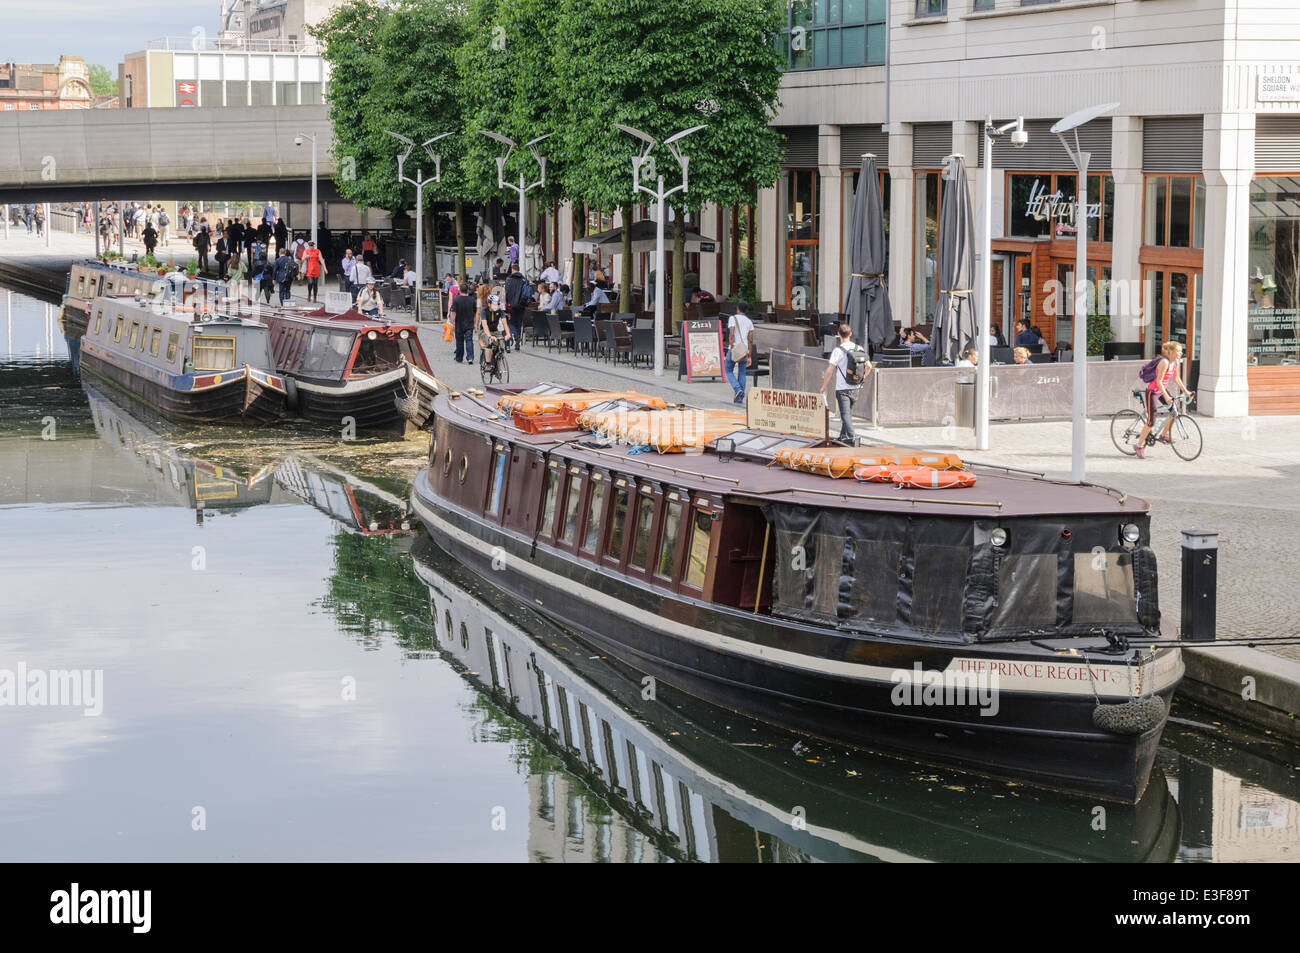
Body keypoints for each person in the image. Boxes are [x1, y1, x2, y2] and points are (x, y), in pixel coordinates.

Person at [1134, 340, 1193, 458]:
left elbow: (1177, 379)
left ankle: (1164, 434)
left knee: (1174, 410)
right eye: (1178, 351)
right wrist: (1166, 396)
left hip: (1162, 391)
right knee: (1151, 421)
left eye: (1181, 351)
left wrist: (1186, 392)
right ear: (1171, 351)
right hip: (1153, 392)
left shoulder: (1175, 362)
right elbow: (1158, 381)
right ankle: (1139, 445)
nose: (1181, 353)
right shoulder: (1164, 362)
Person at [821, 323, 870, 444]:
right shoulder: (859, 348)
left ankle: (852, 438)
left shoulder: (838, 350)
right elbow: (868, 366)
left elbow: (830, 370)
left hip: (842, 388)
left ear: (838, 334)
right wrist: (861, 379)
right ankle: (843, 437)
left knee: (845, 415)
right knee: (847, 413)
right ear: (850, 334)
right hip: (856, 387)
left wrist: (824, 385)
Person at [724, 301, 755, 405]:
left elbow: (731, 334)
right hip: (744, 349)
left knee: (728, 370)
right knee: (742, 373)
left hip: (734, 349)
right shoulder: (749, 322)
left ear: (737, 308)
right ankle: (740, 398)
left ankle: (737, 389)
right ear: (746, 310)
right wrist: (749, 354)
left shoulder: (732, 318)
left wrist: (732, 347)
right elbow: (750, 340)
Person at [477, 282, 512, 368]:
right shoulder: (484, 311)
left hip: (495, 331)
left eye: (497, 304)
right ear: (489, 304)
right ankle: (488, 364)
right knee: (489, 343)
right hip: (484, 331)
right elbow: (484, 325)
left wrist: (508, 334)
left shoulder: (499, 311)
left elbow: (504, 323)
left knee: (500, 347)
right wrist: (489, 336)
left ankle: (498, 367)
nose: (496, 306)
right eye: (494, 304)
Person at [451, 282, 478, 364]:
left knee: (459, 341)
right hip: (469, 323)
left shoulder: (456, 299)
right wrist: (475, 323)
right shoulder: (472, 299)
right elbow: (475, 312)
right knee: (469, 340)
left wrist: (452, 323)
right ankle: (470, 357)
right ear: (467, 290)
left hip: (459, 323)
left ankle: (459, 358)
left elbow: (454, 312)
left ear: (460, 290)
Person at [504, 264, 528, 351]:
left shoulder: (508, 279)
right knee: (518, 323)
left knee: (510, 323)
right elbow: (526, 293)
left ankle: (517, 337)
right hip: (521, 305)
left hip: (511, 305)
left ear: (512, 269)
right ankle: (517, 343)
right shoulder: (524, 279)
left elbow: (506, 293)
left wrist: (506, 303)